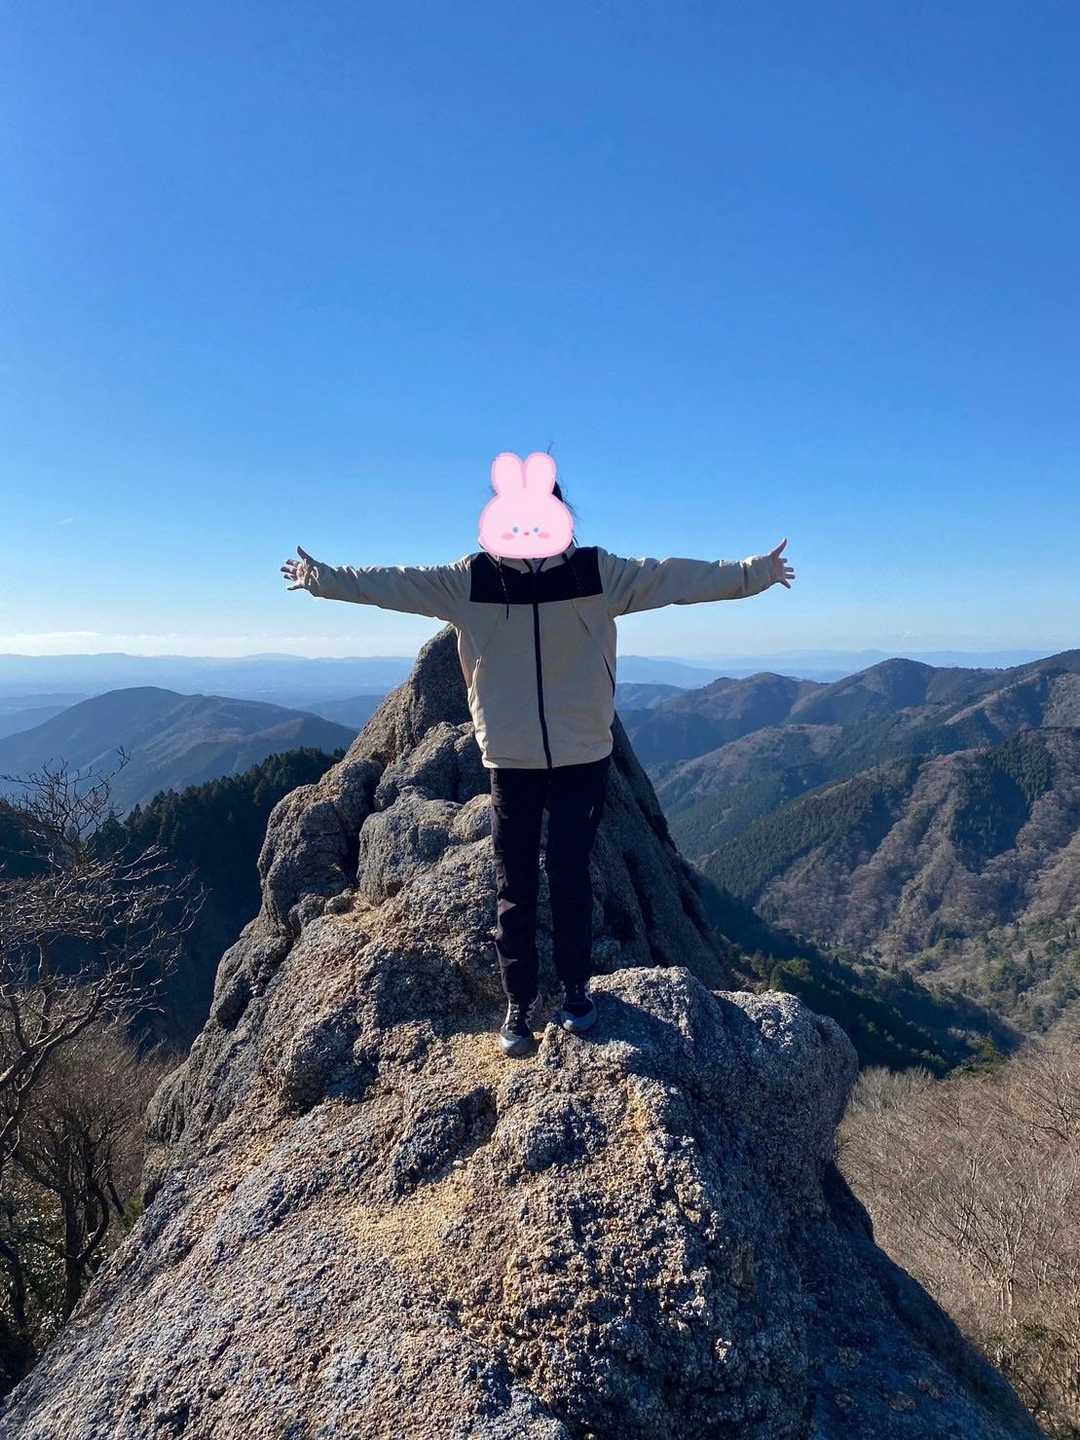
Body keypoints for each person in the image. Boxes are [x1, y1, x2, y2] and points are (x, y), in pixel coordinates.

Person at [282, 474, 794, 1059]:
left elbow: (676, 578)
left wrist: (755, 572)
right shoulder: (471, 579)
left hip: (583, 755)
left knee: (571, 876)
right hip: (512, 757)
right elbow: (392, 583)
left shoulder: (595, 573)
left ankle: (576, 989)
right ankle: (519, 1002)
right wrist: (322, 578)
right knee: (515, 883)